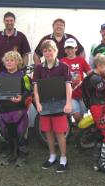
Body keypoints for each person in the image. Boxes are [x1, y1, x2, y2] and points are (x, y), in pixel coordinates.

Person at [33, 40, 72, 173]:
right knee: (48, 132)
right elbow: (36, 88)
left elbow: (68, 86)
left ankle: (63, 158)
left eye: (50, 50)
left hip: (60, 105)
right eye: (45, 51)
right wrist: (37, 103)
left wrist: (68, 103)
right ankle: (52, 156)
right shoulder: (38, 68)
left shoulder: (63, 66)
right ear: (42, 53)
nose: (48, 53)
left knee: (60, 133)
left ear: (56, 51)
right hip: (44, 106)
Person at [0, 51, 32, 166]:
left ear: (18, 62)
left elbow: (28, 91)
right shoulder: (0, 76)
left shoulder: (23, 76)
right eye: (7, 60)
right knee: (4, 136)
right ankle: (6, 156)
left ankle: (22, 157)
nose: (9, 62)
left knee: (21, 135)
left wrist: (21, 97)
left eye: (12, 60)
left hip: (19, 111)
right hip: (4, 111)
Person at [82, 53, 105, 175]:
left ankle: (96, 161)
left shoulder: (95, 77)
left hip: (100, 107)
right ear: (98, 65)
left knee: (100, 133)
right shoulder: (95, 79)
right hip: (98, 108)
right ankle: (103, 163)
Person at [60, 38, 91, 124]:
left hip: (82, 94)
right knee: (76, 116)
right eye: (68, 48)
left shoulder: (81, 60)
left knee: (82, 117)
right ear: (65, 50)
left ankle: (81, 135)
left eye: (72, 48)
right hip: (70, 95)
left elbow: (90, 74)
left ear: (76, 48)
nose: (70, 50)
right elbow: (57, 77)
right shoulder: (61, 62)